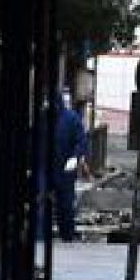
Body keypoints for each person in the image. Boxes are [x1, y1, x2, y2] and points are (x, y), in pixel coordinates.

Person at [51, 90, 89, 242]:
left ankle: (66, 235)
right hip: (48, 166)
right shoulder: (45, 118)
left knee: (65, 204)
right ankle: (41, 236)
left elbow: (81, 141)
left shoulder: (71, 118)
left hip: (65, 167)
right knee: (42, 202)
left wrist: (75, 156)